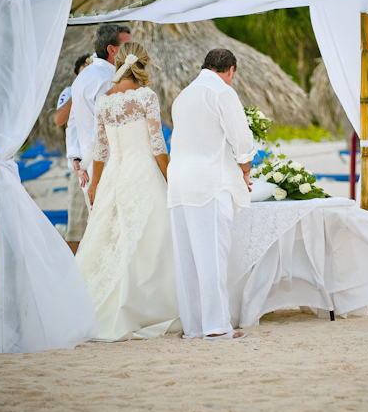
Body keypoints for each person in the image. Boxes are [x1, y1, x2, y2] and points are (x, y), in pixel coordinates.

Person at [75, 42, 180, 341]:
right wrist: (171, 179)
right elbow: (158, 146)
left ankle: (94, 305)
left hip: (114, 177)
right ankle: (143, 308)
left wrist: (95, 184)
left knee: (110, 240)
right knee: (151, 241)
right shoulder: (146, 97)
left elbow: (101, 151)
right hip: (143, 172)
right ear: (143, 66)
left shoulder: (104, 100)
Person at [167, 49, 256, 340]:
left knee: (188, 259)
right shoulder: (222, 92)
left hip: (179, 183)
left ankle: (194, 327)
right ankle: (217, 327)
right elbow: (241, 138)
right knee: (212, 257)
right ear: (230, 70)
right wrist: (245, 169)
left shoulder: (183, 96)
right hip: (208, 182)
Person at [70, 23, 133, 215]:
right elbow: (103, 132)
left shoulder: (83, 76)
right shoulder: (107, 79)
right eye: (127, 46)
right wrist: (96, 181)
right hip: (107, 168)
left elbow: (72, 122)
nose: (132, 52)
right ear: (112, 50)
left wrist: (75, 155)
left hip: (89, 166)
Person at [53, 54, 91, 250]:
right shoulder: (70, 91)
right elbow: (58, 119)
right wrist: (78, 91)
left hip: (101, 160)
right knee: (76, 225)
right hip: (80, 164)